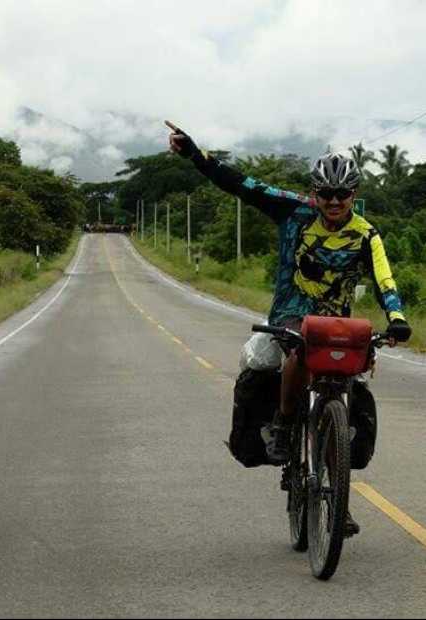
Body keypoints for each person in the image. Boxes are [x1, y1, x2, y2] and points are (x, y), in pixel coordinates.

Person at [166, 121, 411, 536]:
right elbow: (239, 183)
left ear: (354, 194)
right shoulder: (292, 210)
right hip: (291, 316)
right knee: (299, 351)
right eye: (326, 194)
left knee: (342, 394)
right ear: (314, 193)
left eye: (342, 194)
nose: (333, 202)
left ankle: (338, 501)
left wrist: (398, 319)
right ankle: (283, 423)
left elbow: (385, 280)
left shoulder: (366, 235)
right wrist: (194, 154)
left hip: (338, 321)